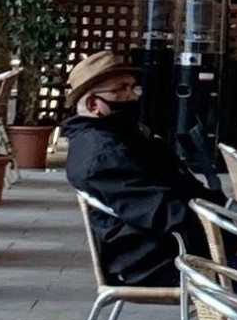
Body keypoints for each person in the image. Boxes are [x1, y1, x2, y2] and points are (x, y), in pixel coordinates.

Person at [58, 49, 197, 288]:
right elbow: (165, 214)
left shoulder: (123, 139)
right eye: (120, 89)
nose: (133, 97)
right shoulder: (105, 155)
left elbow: (184, 189)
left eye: (134, 87)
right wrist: (233, 241)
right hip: (160, 263)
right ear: (93, 104)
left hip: (174, 254)